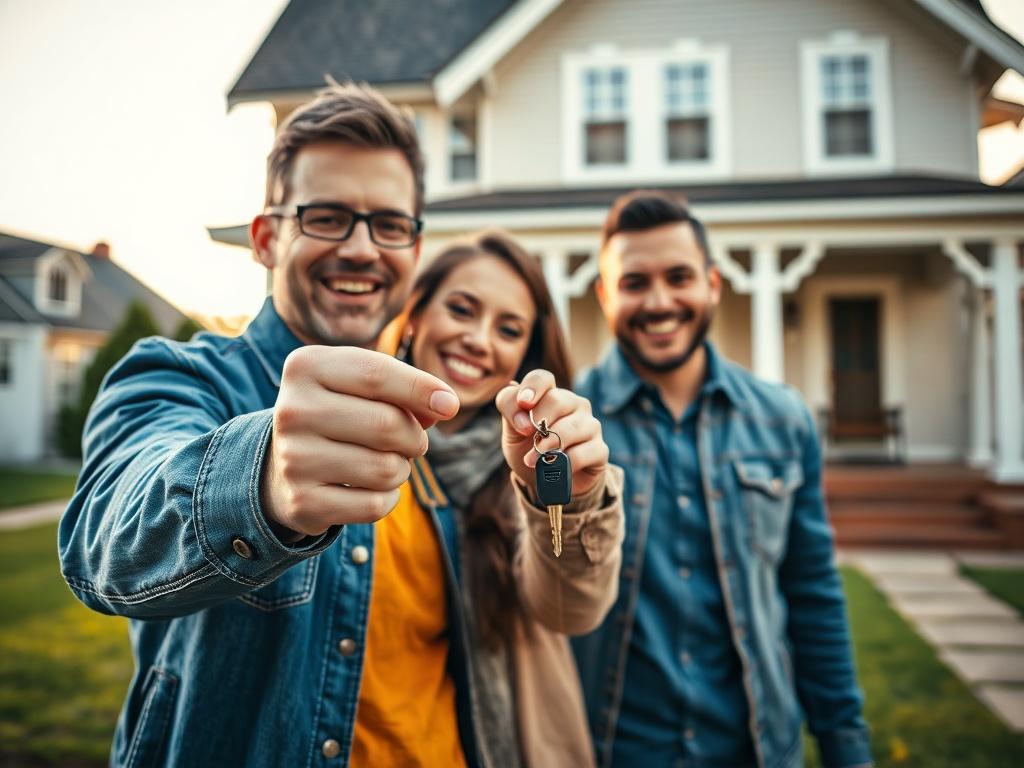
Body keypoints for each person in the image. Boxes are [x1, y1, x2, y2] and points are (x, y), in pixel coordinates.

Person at [57, 82, 619, 768]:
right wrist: (261, 479)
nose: (360, 249)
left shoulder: (445, 438)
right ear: (265, 238)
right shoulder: (184, 376)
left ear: (413, 250)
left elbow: (560, 609)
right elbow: (105, 541)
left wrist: (567, 495)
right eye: (326, 217)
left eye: (389, 225)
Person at [571, 190, 872, 768]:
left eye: (679, 276)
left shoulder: (782, 420)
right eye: (634, 283)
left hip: (754, 749)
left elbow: (812, 595)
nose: (659, 302)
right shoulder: (568, 429)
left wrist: (845, 747)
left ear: (712, 283)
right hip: (609, 749)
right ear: (605, 295)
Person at [374, 231, 623, 767]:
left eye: (508, 329)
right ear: (414, 314)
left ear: (524, 356)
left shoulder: (533, 468)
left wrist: (572, 501)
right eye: (461, 310)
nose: (479, 340)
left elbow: (570, 609)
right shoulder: (351, 441)